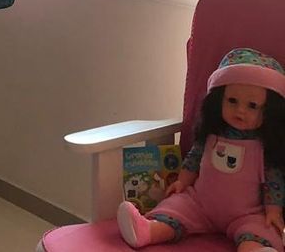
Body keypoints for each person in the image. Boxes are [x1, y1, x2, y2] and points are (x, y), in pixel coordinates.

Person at [117, 48, 285, 251]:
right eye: (232, 101)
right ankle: (148, 231)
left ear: (269, 111)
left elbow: (273, 181)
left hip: (247, 213)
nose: (240, 110)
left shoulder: (264, 146)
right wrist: (182, 181)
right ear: (218, 100)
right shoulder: (211, 135)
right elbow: (194, 159)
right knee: (176, 208)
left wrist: (274, 210)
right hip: (198, 203)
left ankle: (255, 249)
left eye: (252, 106)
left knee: (259, 230)